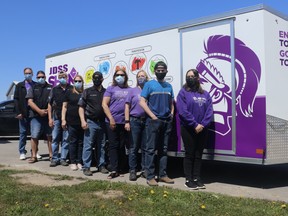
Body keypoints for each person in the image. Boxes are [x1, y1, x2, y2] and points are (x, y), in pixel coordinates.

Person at [176, 69, 213, 190]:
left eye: (192, 76)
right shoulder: (182, 93)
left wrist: (202, 124)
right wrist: (194, 124)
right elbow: (182, 111)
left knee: (198, 154)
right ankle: (188, 179)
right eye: (188, 76)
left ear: (198, 78)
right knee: (190, 153)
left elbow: (209, 111)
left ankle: (197, 178)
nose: (190, 78)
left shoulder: (205, 94)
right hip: (188, 128)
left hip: (202, 128)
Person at [139, 61, 175, 186]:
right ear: (155, 71)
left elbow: (171, 103)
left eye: (163, 70)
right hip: (153, 122)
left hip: (166, 121)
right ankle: (150, 176)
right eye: (158, 70)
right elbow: (142, 102)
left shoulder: (169, 86)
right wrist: (153, 116)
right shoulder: (149, 85)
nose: (160, 72)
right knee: (150, 149)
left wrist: (171, 114)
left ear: (166, 71)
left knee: (163, 150)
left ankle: (163, 175)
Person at [78, 71, 108, 176]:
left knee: (102, 145)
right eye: (94, 78)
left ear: (102, 79)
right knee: (88, 145)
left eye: (98, 78)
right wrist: (83, 120)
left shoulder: (106, 92)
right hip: (91, 122)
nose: (96, 80)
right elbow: (81, 107)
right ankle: (86, 167)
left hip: (103, 123)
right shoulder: (87, 91)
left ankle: (101, 165)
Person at [102, 68, 130, 179]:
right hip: (112, 122)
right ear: (114, 77)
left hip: (124, 122)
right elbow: (104, 104)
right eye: (117, 75)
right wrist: (111, 119)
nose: (120, 77)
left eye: (122, 75)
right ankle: (113, 169)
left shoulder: (129, 89)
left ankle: (121, 168)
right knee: (113, 145)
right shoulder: (110, 89)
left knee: (122, 146)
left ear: (126, 77)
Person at [124, 70, 148, 181]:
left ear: (146, 78)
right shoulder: (132, 91)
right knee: (133, 148)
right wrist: (127, 121)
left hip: (147, 122)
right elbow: (127, 107)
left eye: (143, 76)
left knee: (145, 147)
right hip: (134, 121)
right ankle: (132, 171)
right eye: (139, 76)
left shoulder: (149, 90)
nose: (141, 78)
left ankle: (144, 170)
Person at [26, 71, 52, 163]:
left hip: (48, 116)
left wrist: (47, 112)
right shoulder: (33, 88)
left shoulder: (50, 87)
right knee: (34, 136)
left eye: (42, 76)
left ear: (45, 77)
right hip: (35, 116)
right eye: (38, 77)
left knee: (50, 136)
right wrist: (39, 111)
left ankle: (51, 156)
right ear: (36, 78)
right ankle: (33, 156)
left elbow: (52, 102)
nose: (40, 78)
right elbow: (30, 102)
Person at [48, 71, 73, 167]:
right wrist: (50, 118)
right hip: (56, 117)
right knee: (55, 138)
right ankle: (54, 158)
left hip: (68, 118)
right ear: (58, 78)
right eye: (60, 76)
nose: (62, 78)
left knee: (66, 139)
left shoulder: (71, 88)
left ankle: (63, 158)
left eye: (64, 76)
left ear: (67, 78)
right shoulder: (54, 89)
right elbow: (49, 104)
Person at [61, 74, 84, 171]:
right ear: (73, 82)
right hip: (71, 121)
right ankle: (73, 162)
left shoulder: (84, 93)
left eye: (79, 81)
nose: (78, 83)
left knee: (81, 142)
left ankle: (79, 161)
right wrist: (63, 119)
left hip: (82, 122)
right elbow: (64, 107)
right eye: (76, 81)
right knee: (72, 142)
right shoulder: (69, 92)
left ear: (82, 82)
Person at [14, 67, 37, 160]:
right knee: (23, 133)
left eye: (29, 73)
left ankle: (34, 152)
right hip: (23, 113)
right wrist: (18, 112)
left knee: (34, 134)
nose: (28, 74)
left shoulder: (36, 85)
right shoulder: (19, 85)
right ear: (24, 74)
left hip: (33, 113)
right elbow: (16, 100)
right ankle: (22, 152)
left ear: (32, 73)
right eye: (26, 73)